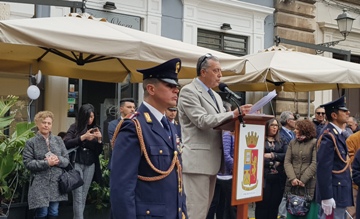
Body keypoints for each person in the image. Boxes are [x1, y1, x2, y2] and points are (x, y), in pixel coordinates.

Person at [110, 58, 187, 218]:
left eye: (176, 87)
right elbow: (122, 188)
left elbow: (177, 181)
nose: (176, 90)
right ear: (151, 89)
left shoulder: (169, 125)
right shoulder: (134, 126)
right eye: (169, 86)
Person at [177, 53, 252, 219]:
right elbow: (202, 120)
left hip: (213, 162)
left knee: (204, 212)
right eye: (216, 70)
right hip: (197, 162)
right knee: (195, 212)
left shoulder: (216, 96)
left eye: (220, 70)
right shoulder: (189, 91)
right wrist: (232, 114)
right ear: (203, 72)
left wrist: (240, 120)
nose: (220, 75)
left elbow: (219, 123)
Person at [23, 111, 70, 219]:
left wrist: (58, 159)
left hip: (56, 183)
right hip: (40, 183)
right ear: (37, 124)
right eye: (43, 122)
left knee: (54, 212)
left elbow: (66, 160)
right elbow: (28, 162)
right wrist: (47, 163)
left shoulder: (58, 140)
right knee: (42, 213)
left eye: (49, 123)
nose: (46, 125)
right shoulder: (31, 142)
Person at [315, 96, 353, 219]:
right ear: (334, 115)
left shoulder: (338, 134)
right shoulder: (328, 136)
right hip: (334, 192)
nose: (348, 113)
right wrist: (326, 196)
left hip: (340, 191)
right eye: (344, 111)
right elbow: (323, 168)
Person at [64, 103, 103, 219]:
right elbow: (65, 143)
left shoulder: (96, 129)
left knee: (84, 195)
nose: (90, 120)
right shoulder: (74, 127)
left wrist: (99, 140)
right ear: (83, 116)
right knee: (78, 195)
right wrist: (83, 137)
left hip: (90, 164)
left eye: (92, 117)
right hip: (76, 162)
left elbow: (98, 152)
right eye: (88, 117)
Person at [207, 101, 237, 219]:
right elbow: (226, 155)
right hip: (222, 175)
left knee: (223, 207)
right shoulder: (225, 133)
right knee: (215, 205)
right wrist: (234, 168)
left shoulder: (231, 132)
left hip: (227, 175)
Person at [284, 119, 318, 219]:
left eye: (297, 129)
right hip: (293, 185)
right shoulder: (292, 142)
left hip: (309, 184)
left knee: (309, 214)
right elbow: (287, 162)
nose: (295, 130)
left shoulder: (314, 143)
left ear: (304, 130)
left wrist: (303, 180)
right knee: (292, 212)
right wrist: (293, 178)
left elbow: (315, 163)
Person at [255, 118, 287, 219]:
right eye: (272, 125)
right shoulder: (259, 139)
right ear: (267, 126)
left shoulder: (282, 140)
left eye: (276, 125)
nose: (274, 127)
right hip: (263, 177)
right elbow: (257, 155)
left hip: (278, 178)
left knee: (274, 205)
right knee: (262, 205)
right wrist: (272, 162)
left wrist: (272, 155)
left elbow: (286, 155)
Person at [278, 111, 296, 218]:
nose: (295, 122)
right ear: (288, 121)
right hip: (283, 169)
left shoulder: (293, 133)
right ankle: (282, 214)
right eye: (293, 119)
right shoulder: (281, 134)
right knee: (284, 194)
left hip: (293, 168)